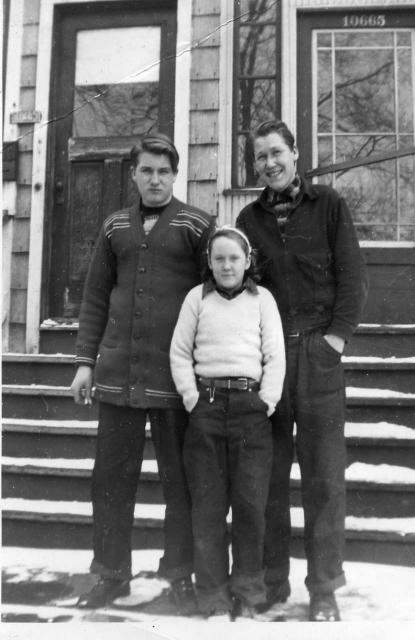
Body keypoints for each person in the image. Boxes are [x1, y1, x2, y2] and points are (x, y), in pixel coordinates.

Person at [70, 134, 215, 610]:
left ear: (176, 175)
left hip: (177, 381)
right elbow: (94, 299)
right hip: (117, 376)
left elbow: (213, 301)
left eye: (164, 172)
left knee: (182, 481)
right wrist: (84, 363)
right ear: (133, 174)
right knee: (110, 479)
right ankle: (112, 573)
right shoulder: (114, 227)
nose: (155, 179)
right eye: (147, 170)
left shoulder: (197, 225)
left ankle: (180, 574)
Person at [236, 120, 368, 621]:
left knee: (323, 476)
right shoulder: (248, 219)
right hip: (270, 359)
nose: (270, 163)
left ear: (295, 153)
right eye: (261, 157)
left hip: (317, 354)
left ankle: (324, 588)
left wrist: (335, 339)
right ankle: (273, 582)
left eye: (277, 153)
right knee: (267, 476)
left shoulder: (328, 205)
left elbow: (353, 277)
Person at [170, 227, 285, 619]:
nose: (226, 265)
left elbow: (275, 356)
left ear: (247, 261)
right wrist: (192, 398)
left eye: (234, 258)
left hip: (250, 411)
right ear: (209, 263)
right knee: (208, 507)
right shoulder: (196, 299)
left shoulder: (261, 300)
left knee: (251, 506)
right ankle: (214, 596)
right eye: (219, 258)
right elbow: (180, 353)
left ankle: (249, 593)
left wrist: (265, 401)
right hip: (207, 408)